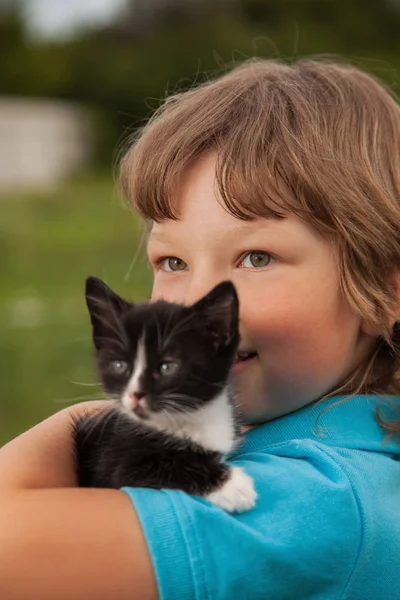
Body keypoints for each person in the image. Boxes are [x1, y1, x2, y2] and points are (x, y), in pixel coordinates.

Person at [1, 57, 400, 600]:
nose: (191, 305)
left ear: (383, 292)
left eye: (257, 257)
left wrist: (82, 421)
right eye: (173, 262)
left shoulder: (319, 502)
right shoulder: (282, 440)